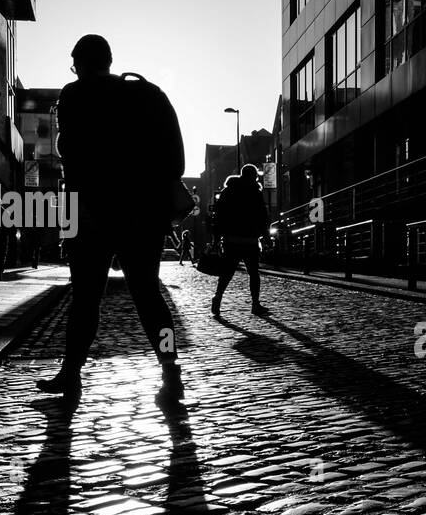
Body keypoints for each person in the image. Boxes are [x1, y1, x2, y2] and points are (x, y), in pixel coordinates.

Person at [36, 34, 186, 405]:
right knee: (149, 296)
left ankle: (71, 376)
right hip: (144, 214)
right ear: (109, 59)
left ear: (81, 62)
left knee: (86, 299)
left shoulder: (75, 94)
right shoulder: (148, 94)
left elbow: (70, 153)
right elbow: (176, 161)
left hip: (92, 211)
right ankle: (171, 372)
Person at [210, 164, 270, 317]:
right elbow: (262, 216)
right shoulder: (255, 192)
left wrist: (216, 238)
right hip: (250, 239)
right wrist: (266, 236)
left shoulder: (227, 191)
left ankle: (218, 297)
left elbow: (219, 217)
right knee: (253, 273)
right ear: (254, 176)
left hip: (232, 239)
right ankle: (255, 304)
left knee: (227, 272)